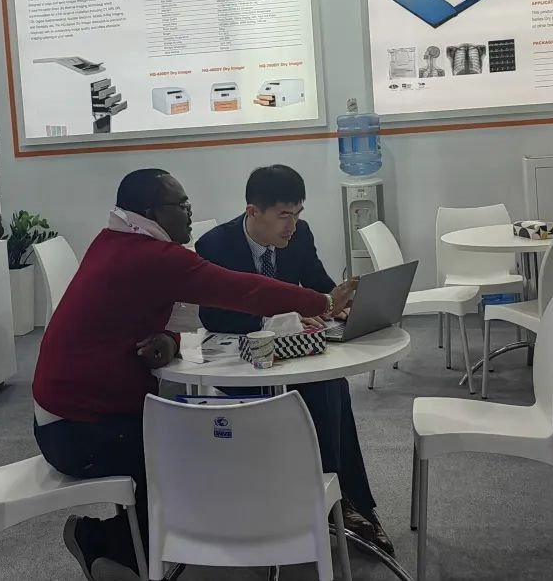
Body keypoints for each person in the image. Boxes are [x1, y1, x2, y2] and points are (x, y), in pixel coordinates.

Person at [32, 168, 358, 581]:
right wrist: (323, 301)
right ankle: (103, 541)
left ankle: (140, 547)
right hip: (78, 431)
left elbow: (176, 313)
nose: (190, 212)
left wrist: (168, 339)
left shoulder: (117, 242)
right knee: (197, 448)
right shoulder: (151, 257)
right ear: (152, 212)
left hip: (79, 415)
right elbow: (243, 290)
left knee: (199, 438)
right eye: (181, 205)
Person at [196, 164, 394, 555]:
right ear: (253, 211)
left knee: (330, 384)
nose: (293, 225)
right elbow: (214, 315)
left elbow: (318, 286)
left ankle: (347, 500)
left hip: (292, 355)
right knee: (321, 391)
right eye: (284, 215)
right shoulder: (215, 246)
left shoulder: (300, 235)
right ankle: (331, 501)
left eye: (298, 213)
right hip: (239, 361)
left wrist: (338, 304)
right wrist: (275, 319)